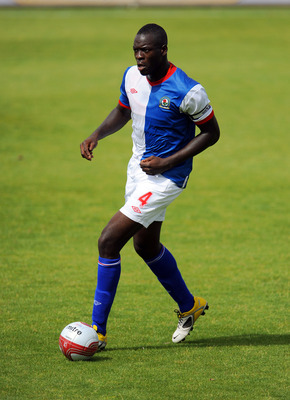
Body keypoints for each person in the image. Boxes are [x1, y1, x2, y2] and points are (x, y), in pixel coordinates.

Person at [80, 23, 220, 350]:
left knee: (108, 240)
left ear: (163, 51)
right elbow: (122, 110)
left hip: (167, 178)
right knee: (145, 246)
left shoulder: (187, 90)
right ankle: (190, 306)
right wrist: (96, 135)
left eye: (146, 51)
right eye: (136, 51)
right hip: (137, 171)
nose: (139, 57)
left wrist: (167, 162)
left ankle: (96, 332)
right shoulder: (131, 76)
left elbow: (212, 133)